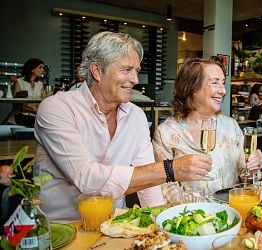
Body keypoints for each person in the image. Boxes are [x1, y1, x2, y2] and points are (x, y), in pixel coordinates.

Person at [33, 32, 212, 221]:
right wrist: (169, 169)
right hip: (62, 229)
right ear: (97, 71)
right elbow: (87, 178)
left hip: (115, 225)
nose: (135, 79)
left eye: (136, 70)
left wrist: (163, 224)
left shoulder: (136, 116)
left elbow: (148, 183)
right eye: (126, 70)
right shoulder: (57, 108)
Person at [152, 57, 262, 195]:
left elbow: (245, 176)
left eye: (223, 83)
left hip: (233, 211)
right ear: (192, 87)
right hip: (191, 213)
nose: (223, 91)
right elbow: (165, 187)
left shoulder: (230, 126)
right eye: (215, 83)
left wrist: (253, 169)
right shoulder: (166, 133)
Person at [13, 58, 45, 127]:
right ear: (32, 69)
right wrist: (33, 110)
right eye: (40, 67)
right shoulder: (19, 82)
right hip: (23, 117)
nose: (43, 70)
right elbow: (17, 105)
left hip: (37, 116)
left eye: (43, 68)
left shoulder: (40, 84)